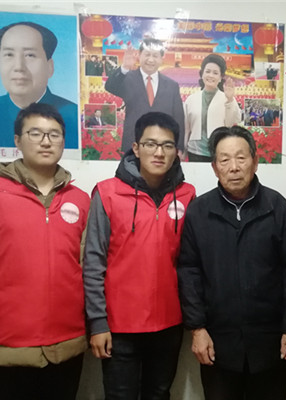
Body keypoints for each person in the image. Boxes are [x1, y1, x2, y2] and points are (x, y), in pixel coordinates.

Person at [0, 103, 90, 400]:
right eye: (35, 133)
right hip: (5, 350)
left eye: (54, 134)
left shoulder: (80, 200)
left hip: (67, 347)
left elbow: (88, 271)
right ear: (17, 140)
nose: (46, 141)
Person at [177, 125, 286, 400]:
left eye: (241, 157)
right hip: (218, 342)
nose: (234, 167)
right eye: (225, 159)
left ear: (255, 161)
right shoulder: (199, 211)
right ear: (215, 167)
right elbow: (189, 271)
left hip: (271, 341)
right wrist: (197, 329)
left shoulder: (278, 208)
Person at [83, 111, 196, 399]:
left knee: (159, 394)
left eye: (167, 145)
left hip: (169, 324)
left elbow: (191, 262)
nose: (159, 152)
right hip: (119, 326)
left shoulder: (187, 195)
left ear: (176, 151)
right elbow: (93, 262)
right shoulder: (107, 193)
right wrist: (97, 322)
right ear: (136, 148)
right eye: (150, 144)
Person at [0, 22, 78, 148]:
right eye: (9, 55)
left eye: (30, 55)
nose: (19, 67)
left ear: (50, 67)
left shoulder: (74, 116)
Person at [105, 38, 185, 153]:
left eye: (155, 56)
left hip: (162, 147)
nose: (150, 60)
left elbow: (178, 118)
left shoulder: (172, 85)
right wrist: (124, 68)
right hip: (133, 144)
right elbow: (110, 86)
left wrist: (179, 147)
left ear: (161, 58)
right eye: (147, 54)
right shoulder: (127, 78)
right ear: (139, 55)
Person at [183, 54, 241, 162]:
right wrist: (183, 151)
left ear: (221, 77)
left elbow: (230, 124)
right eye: (208, 71)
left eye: (215, 73)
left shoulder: (227, 98)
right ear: (202, 74)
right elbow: (187, 129)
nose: (211, 75)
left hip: (219, 151)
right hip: (195, 152)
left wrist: (229, 100)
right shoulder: (191, 99)